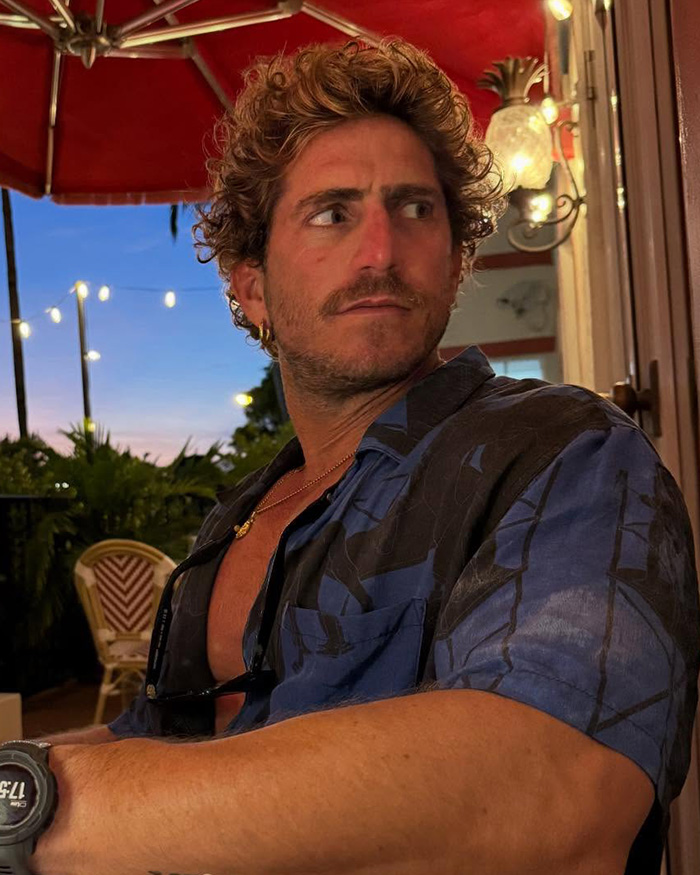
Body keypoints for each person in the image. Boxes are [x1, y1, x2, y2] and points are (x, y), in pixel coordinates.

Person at [20, 39, 700, 875]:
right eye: (332, 212)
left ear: (456, 259)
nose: (380, 251)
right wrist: (29, 774)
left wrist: (45, 807)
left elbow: (557, 793)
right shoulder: (233, 521)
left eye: (415, 209)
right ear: (251, 286)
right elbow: (159, 737)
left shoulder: (566, 455)